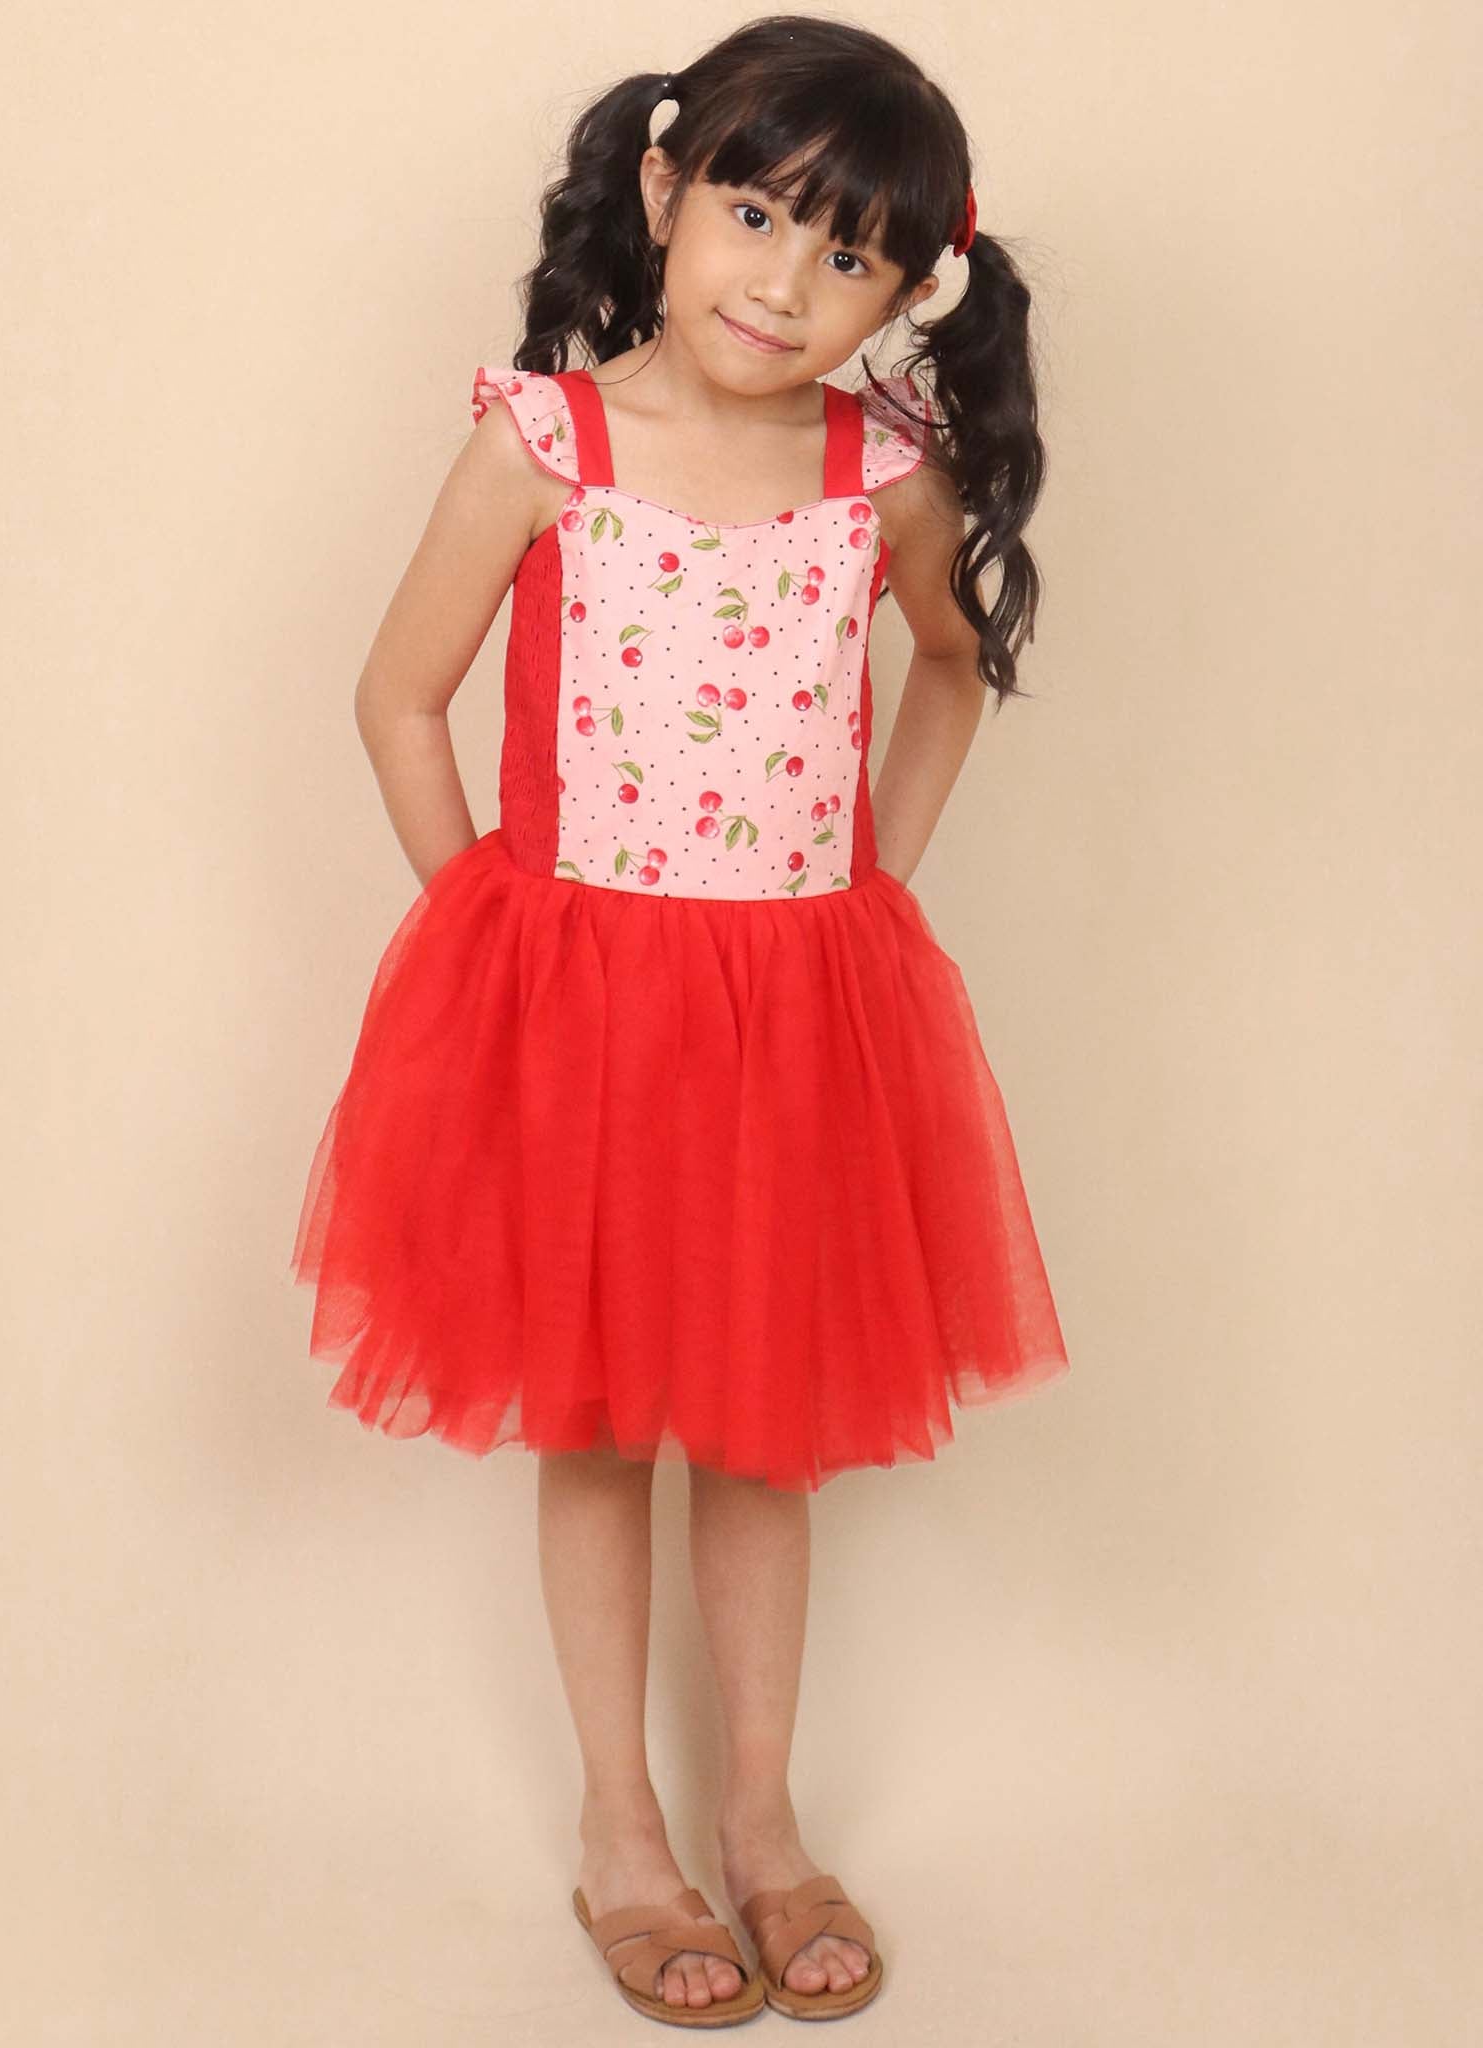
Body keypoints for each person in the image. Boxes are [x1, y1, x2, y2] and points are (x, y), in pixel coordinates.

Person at [290, 13, 1071, 2026]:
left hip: (789, 1016)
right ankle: (620, 1829)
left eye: (851, 260)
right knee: (597, 1415)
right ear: (662, 191)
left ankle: (763, 1816)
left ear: (910, 291)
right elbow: (399, 694)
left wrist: (865, 889)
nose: (785, 284)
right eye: (752, 212)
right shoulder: (545, 442)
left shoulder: (877, 466)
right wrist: (489, 926)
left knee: (762, 1430)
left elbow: (951, 669)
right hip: (582, 1011)